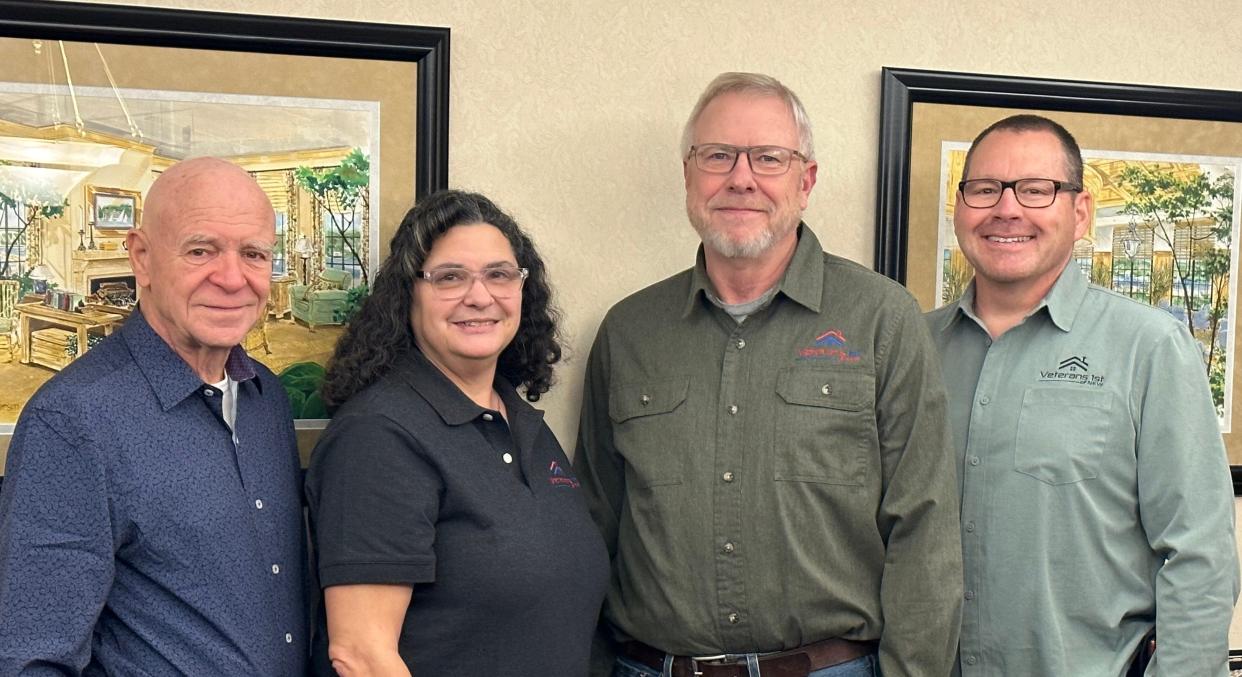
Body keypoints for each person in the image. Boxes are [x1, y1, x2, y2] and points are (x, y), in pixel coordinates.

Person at [574, 72, 963, 677]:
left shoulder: (882, 319)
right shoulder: (629, 331)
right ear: (687, 174)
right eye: (718, 156)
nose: (741, 177)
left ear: (806, 181)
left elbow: (925, 527)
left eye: (769, 158)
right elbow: (594, 523)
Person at [926, 114, 1240, 676]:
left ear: (1080, 212)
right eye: (984, 188)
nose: (1006, 208)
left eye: (1036, 189)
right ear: (960, 207)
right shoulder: (914, 347)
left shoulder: (1150, 347)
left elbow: (1199, 556)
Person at [0, 157, 306, 674]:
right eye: (200, 250)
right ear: (141, 258)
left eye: (253, 254)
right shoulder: (73, 422)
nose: (232, 278)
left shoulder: (267, 400)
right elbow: (34, 658)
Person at [304, 189, 608, 676]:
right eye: (450, 277)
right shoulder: (378, 436)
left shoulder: (520, 420)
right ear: (408, 294)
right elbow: (362, 655)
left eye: (499, 274)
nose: (480, 296)